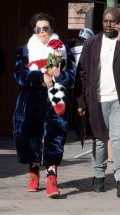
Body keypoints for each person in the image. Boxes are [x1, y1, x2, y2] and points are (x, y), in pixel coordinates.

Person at [74, 7, 120, 198]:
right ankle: (99, 175)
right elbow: (81, 74)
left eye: (112, 21)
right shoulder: (91, 43)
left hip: (119, 101)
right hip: (96, 100)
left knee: (119, 139)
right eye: (105, 21)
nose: (108, 25)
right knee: (99, 140)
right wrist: (80, 101)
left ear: (119, 22)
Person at [13, 12, 75, 198]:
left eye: (45, 28)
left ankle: (51, 176)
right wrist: (41, 78)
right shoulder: (24, 51)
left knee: (54, 137)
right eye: (38, 29)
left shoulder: (62, 50)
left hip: (55, 100)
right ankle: (33, 171)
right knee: (30, 135)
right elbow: (19, 75)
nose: (42, 32)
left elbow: (71, 76)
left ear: (52, 30)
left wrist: (58, 75)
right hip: (30, 99)